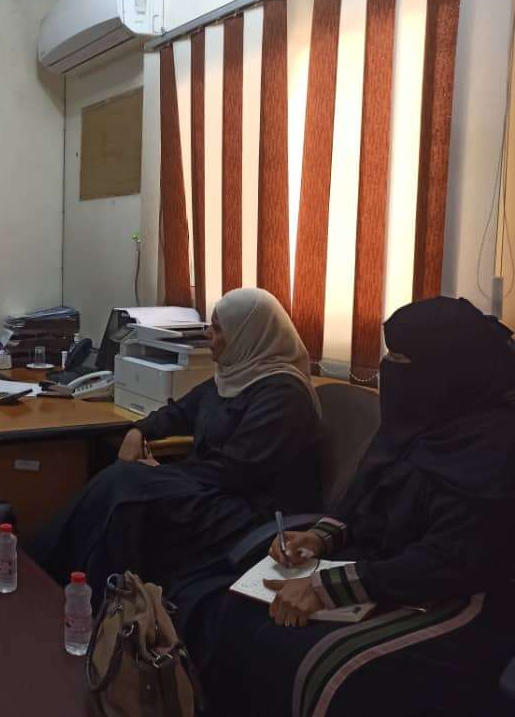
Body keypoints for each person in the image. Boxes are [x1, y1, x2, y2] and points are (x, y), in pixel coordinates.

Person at [180, 297, 515, 717]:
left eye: (403, 359)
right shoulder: (416, 420)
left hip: (460, 601)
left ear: (450, 370)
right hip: (382, 571)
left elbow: (450, 560)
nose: (390, 369)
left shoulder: (495, 448)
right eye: (389, 355)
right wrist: (318, 538)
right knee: (233, 611)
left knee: (314, 665)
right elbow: (366, 499)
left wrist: (327, 589)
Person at [30, 287, 323, 601]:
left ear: (248, 336)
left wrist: (163, 473)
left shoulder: (283, 395)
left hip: (248, 512)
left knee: (127, 485)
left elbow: (236, 471)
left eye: (218, 329)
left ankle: (61, 585)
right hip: (210, 489)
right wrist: (138, 431)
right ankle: (46, 575)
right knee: (123, 483)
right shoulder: (235, 376)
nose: (209, 335)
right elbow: (180, 412)